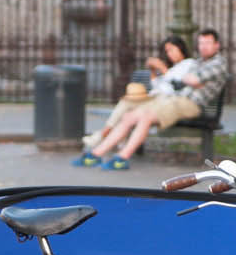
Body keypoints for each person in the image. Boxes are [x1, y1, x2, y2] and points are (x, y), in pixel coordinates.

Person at [84, 28, 227, 170]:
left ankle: (121, 158)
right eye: (201, 43)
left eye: (208, 43)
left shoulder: (219, 63)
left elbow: (193, 80)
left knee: (146, 116)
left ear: (217, 45)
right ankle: (96, 153)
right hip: (174, 99)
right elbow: (187, 80)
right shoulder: (198, 62)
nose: (203, 47)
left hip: (191, 104)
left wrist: (189, 79)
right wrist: (189, 80)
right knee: (129, 115)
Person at [74, 36, 193, 164]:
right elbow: (158, 86)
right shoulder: (173, 67)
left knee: (129, 108)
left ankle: (104, 139)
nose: (169, 54)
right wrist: (153, 71)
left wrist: (163, 69)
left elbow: (176, 87)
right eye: (167, 51)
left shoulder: (189, 64)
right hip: (156, 99)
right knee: (126, 108)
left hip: (167, 102)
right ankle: (105, 146)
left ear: (181, 48)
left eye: (172, 49)